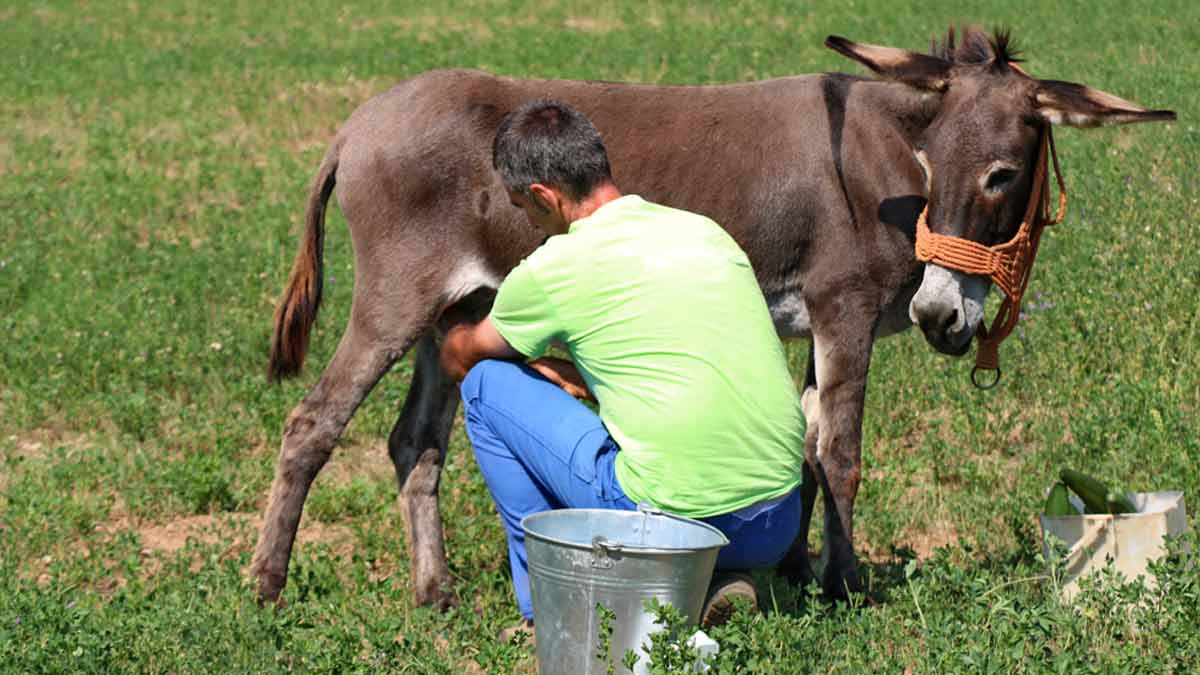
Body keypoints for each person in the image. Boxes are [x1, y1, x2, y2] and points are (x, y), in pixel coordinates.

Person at [439, 99, 806, 640]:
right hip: (777, 520)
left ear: (544, 195)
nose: (527, 220)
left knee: (486, 387)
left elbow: (462, 358)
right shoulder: (704, 231)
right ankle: (713, 578)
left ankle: (548, 605)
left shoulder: (551, 269)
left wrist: (512, 351)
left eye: (523, 208)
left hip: (667, 524)